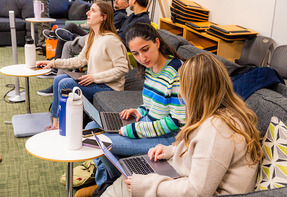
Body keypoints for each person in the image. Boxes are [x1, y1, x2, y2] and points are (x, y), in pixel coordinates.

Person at [100, 53, 264, 197]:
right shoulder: (220, 115)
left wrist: (146, 185)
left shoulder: (217, 129)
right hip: (180, 176)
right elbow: (201, 155)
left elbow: (197, 191)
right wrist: (171, 151)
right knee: (126, 178)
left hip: (188, 187)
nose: (180, 93)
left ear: (194, 91)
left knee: (124, 184)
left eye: (182, 86)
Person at [75, 22, 186, 196]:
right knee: (90, 130)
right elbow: (153, 104)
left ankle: (106, 184)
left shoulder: (176, 72)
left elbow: (177, 121)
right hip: (148, 126)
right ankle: (108, 182)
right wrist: (139, 111)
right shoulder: (150, 67)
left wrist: (134, 129)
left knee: (99, 142)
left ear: (157, 43)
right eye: (135, 53)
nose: (142, 58)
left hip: (167, 138)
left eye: (145, 49)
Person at [37, 1, 130, 131]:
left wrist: (94, 78)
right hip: (95, 81)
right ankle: (56, 122)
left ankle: (58, 125)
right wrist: (54, 62)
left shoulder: (111, 40)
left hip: (109, 87)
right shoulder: (92, 36)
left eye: (92, 11)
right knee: (59, 79)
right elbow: (80, 60)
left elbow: (122, 68)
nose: (87, 13)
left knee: (64, 84)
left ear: (103, 17)